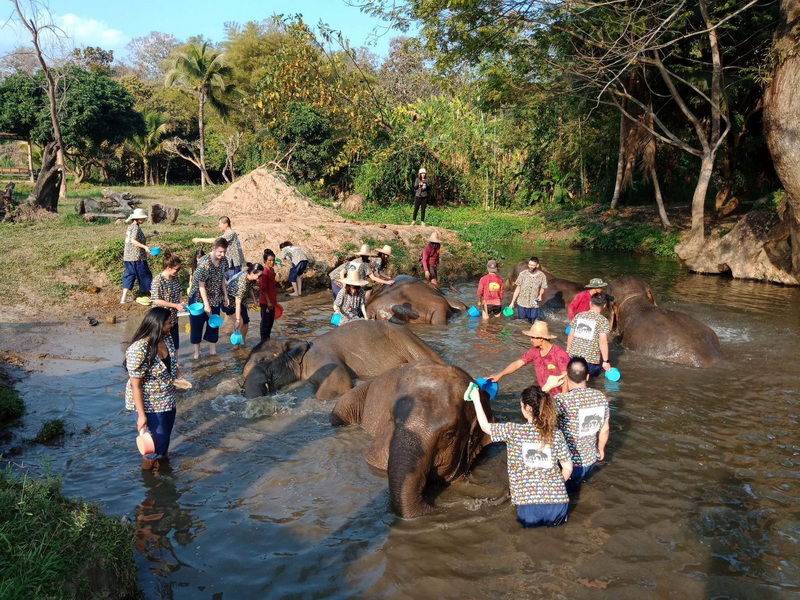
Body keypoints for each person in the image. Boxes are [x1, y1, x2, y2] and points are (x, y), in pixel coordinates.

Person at [470, 381, 573, 528]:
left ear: (527, 408)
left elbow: (485, 427)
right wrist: (553, 485)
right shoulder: (556, 434)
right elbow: (568, 467)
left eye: (521, 405)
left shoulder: (514, 431)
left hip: (529, 503)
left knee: (529, 545)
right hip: (558, 501)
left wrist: (476, 400)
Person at [125, 307, 178, 470]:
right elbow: (136, 385)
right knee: (153, 448)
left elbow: (171, 365)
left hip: (168, 399)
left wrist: (178, 376)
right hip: (149, 405)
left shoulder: (166, 338)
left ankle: (163, 470)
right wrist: (141, 416)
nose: (172, 325)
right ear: (158, 324)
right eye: (169, 323)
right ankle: (149, 485)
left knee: (164, 440)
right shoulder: (138, 349)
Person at [553, 357, 610, 494]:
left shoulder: (561, 400)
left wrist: (547, 388)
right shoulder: (600, 397)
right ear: (588, 376)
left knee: (566, 493)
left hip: (568, 463)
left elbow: (538, 419)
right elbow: (605, 429)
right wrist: (600, 449)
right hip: (591, 459)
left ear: (566, 376)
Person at [487, 320, 571, 396]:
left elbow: (566, 379)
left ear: (541, 338)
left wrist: (563, 401)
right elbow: (518, 364)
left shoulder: (559, 354)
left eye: (532, 337)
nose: (531, 340)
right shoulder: (534, 351)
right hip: (544, 393)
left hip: (559, 395)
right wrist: (500, 375)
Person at [188, 237, 229, 359]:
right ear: (214, 248)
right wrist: (206, 304)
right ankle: (197, 352)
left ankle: (212, 351)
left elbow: (222, 280)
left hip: (215, 295)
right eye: (220, 252)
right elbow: (201, 285)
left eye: (224, 252)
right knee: (197, 325)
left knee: (214, 322)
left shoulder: (224, 261)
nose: (222, 254)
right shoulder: (204, 262)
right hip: (199, 297)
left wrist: (225, 295)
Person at [566, 292, 613, 377]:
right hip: (591, 360)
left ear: (590, 303)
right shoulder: (603, 320)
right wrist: (606, 361)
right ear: (604, 305)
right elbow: (603, 341)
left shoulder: (579, 316)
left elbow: (571, 334)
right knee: (590, 381)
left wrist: (568, 351)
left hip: (574, 357)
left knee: (574, 378)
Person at [121, 208, 157, 304]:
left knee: (129, 275)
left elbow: (138, 238)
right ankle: (154, 297)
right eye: (143, 218)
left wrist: (151, 235)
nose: (144, 220)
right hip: (137, 257)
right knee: (145, 275)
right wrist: (145, 247)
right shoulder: (136, 228)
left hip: (128, 257)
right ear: (138, 219)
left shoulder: (131, 227)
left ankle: (123, 299)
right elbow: (133, 240)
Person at [222, 262, 263, 345]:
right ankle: (235, 346)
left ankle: (243, 342)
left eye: (261, 275)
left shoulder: (251, 278)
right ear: (252, 273)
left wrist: (254, 300)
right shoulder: (242, 283)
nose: (260, 278)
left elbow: (250, 288)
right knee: (240, 322)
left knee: (246, 322)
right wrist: (237, 320)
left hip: (240, 299)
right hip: (229, 300)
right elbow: (237, 302)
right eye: (259, 275)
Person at [150, 251, 185, 350]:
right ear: (168, 268)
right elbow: (156, 300)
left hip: (173, 317)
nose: (178, 272)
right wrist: (175, 305)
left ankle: (176, 364)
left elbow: (178, 294)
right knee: (160, 344)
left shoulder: (175, 278)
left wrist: (181, 302)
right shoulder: (158, 281)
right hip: (161, 319)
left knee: (175, 343)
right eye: (177, 269)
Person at [510, 256, 548, 323]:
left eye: (533, 265)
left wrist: (540, 295)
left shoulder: (542, 276)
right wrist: (512, 302)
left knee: (534, 322)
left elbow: (543, 287)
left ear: (537, 265)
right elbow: (518, 288)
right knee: (522, 322)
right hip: (522, 303)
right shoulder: (523, 274)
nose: (530, 266)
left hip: (534, 304)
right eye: (529, 265)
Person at [259, 249, 279, 343]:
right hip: (265, 301)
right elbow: (264, 289)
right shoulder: (264, 272)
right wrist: (269, 302)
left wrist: (274, 301)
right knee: (265, 323)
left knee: (270, 322)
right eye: (269, 260)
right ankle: (263, 341)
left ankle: (267, 340)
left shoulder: (272, 270)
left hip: (272, 300)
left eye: (273, 260)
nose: (272, 262)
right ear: (265, 261)